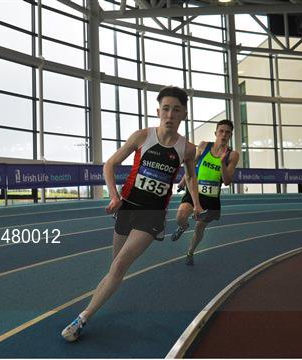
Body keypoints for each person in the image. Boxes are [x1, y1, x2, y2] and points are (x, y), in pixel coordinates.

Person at [61, 86, 203, 342]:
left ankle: (82, 318)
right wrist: (114, 196)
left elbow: (191, 178)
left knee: (119, 265)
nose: (170, 114)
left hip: (152, 216)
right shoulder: (142, 136)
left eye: (177, 110)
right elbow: (110, 164)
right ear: (158, 111)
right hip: (128, 207)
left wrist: (197, 204)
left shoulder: (187, 149)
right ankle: (106, 292)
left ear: (184, 114)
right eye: (166, 108)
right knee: (115, 267)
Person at [171, 119, 240, 265]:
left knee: (199, 228)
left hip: (212, 197)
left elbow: (227, 181)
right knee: (180, 216)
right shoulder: (204, 146)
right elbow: (192, 165)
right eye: (221, 131)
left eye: (227, 132)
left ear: (230, 135)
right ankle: (183, 226)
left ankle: (190, 252)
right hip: (195, 191)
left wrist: (222, 162)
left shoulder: (232, 155)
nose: (224, 134)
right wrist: (184, 181)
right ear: (216, 133)